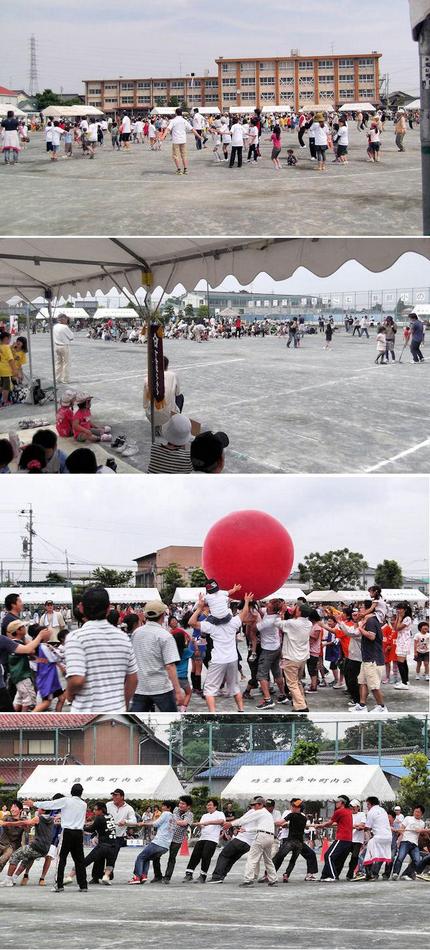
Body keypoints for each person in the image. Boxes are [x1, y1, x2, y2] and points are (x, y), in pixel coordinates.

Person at [64, 586, 138, 712]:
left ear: (81, 607)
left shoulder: (76, 637)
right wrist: (123, 704)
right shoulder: (123, 637)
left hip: (86, 714)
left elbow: (77, 680)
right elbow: (133, 679)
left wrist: (69, 694)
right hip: (116, 713)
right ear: (109, 608)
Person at [189, 593, 251, 712]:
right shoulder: (233, 622)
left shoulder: (211, 626)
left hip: (218, 660)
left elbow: (192, 623)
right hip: (232, 659)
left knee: (209, 689)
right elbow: (244, 613)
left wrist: (200, 608)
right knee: (235, 688)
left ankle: (213, 713)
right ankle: (241, 710)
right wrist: (247, 601)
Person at [27, 784, 88, 892]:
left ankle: (59, 885)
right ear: (81, 792)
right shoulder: (84, 804)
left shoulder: (66, 801)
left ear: (71, 791)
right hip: (79, 833)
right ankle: (83, 885)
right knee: (79, 860)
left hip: (68, 832)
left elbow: (51, 804)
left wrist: (34, 803)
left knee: (61, 859)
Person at [130, 600, 184, 712]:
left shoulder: (136, 633)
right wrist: (178, 690)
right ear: (163, 614)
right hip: (161, 686)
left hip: (141, 685)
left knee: (137, 722)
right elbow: (170, 666)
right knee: (171, 719)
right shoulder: (165, 636)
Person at [0, 614, 51, 712]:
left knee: (19, 700)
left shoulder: (9, 641)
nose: (25, 628)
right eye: (23, 627)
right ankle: (22, 722)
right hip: (21, 675)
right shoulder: (12, 643)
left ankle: (15, 720)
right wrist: (40, 636)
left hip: (16, 677)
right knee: (28, 700)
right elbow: (29, 650)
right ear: (18, 631)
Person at [225, 797, 277, 887]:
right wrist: (247, 829)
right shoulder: (267, 814)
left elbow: (244, 820)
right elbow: (261, 827)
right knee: (268, 860)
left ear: (261, 804)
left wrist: (230, 823)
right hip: (270, 837)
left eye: (255, 805)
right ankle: (273, 879)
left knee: (252, 858)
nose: (253, 807)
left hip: (262, 837)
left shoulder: (259, 812)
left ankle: (248, 880)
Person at [276, 603, 317, 712]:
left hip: (291, 658)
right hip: (302, 658)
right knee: (297, 681)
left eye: (296, 607)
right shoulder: (308, 623)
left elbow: (277, 623)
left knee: (292, 683)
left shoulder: (292, 623)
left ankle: (301, 706)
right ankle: (301, 700)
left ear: (299, 612)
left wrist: (281, 613)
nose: (293, 608)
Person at [64, 802, 117, 886]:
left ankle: (69, 877)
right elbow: (100, 825)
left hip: (103, 846)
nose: (94, 811)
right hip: (113, 845)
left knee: (85, 861)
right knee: (110, 863)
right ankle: (106, 877)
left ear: (101, 810)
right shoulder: (110, 816)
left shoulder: (99, 818)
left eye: (95, 810)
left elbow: (91, 829)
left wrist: (80, 827)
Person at [0, 806, 54, 886]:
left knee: (15, 855)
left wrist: (6, 823)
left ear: (43, 810)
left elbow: (24, 823)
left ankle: (8, 879)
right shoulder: (51, 819)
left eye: (39, 808)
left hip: (36, 846)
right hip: (45, 848)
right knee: (28, 859)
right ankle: (14, 878)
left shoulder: (39, 818)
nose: (37, 809)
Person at [128, 801, 177, 884]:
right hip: (165, 846)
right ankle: (143, 876)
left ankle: (137, 877)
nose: (162, 808)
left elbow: (155, 823)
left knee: (140, 857)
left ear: (169, 808)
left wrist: (143, 824)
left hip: (158, 842)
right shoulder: (174, 817)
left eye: (164, 806)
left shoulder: (166, 814)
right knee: (146, 858)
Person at [273, 799, 318, 881]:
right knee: (293, 860)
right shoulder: (304, 818)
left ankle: (271, 874)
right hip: (299, 843)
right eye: (293, 805)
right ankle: (286, 874)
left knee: (279, 856)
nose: (293, 807)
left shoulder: (291, 815)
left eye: (295, 806)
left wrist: (270, 822)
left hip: (291, 841)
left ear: (299, 808)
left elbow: (280, 823)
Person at [183, 799, 226, 883]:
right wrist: (199, 825)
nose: (208, 806)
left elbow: (221, 821)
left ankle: (203, 875)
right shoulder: (204, 815)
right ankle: (189, 873)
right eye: (207, 805)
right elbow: (202, 825)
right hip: (202, 837)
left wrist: (208, 822)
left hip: (212, 839)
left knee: (206, 856)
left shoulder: (220, 814)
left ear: (215, 806)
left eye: (210, 805)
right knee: (195, 855)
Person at [154, 795, 193, 883]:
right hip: (166, 837)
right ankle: (158, 876)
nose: (180, 805)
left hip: (177, 840)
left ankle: (167, 877)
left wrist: (170, 821)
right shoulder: (175, 810)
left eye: (183, 804)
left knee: (172, 858)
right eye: (180, 803)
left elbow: (184, 823)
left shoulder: (190, 815)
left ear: (188, 806)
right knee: (156, 855)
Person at [355, 797, 393, 880]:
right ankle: (371, 874)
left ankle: (363, 873)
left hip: (379, 837)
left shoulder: (371, 812)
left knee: (364, 854)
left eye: (368, 804)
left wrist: (358, 827)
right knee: (379, 855)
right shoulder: (383, 810)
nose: (367, 807)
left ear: (371, 804)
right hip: (388, 837)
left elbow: (367, 827)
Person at [105, 789, 136, 882]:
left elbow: (134, 821)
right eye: (113, 795)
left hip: (118, 837)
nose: (114, 797)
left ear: (122, 797)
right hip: (106, 835)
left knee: (112, 856)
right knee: (101, 856)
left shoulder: (129, 808)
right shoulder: (108, 805)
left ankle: (108, 875)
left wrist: (126, 821)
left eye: (116, 795)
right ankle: (96, 876)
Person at [319, 796, 353, 880]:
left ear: (342, 803)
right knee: (338, 859)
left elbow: (329, 823)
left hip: (342, 838)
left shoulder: (339, 811)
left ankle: (333, 876)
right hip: (348, 839)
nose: (336, 803)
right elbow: (340, 822)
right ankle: (325, 876)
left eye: (338, 801)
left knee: (328, 856)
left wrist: (319, 825)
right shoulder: (348, 811)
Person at [160, 108, 202, 174]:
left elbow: (167, 129)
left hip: (176, 140)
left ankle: (179, 170)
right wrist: (198, 136)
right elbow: (192, 129)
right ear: (181, 113)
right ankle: (185, 169)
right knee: (184, 155)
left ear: (176, 113)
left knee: (175, 155)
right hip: (183, 140)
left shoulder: (173, 121)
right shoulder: (184, 121)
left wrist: (163, 136)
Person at [392, 806, 426, 879]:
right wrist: (400, 838)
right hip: (405, 841)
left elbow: (422, 834)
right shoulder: (408, 818)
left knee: (417, 860)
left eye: (418, 812)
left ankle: (406, 874)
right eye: (415, 811)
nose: (416, 813)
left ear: (422, 814)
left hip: (415, 844)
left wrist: (420, 831)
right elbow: (401, 828)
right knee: (400, 857)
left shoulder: (422, 823)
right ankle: (395, 873)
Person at [346, 799, 367, 880]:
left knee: (354, 857)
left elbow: (362, 825)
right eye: (351, 807)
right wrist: (355, 826)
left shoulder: (362, 814)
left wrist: (355, 826)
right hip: (348, 838)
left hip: (357, 840)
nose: (352, 808)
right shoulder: (348, 814)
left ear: (358, 807)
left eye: (354, 807)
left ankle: (350, 872)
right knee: (342, 856)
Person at [53, 315, 74, 384]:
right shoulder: (65, 327)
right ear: (64, 319)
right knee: (66, 363)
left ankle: (57, 378)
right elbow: (71, 337)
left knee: (58, 363)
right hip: (64, 346)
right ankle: (65, 379)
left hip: (56, 346)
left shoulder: (55, 326)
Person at [0, 329, 16, 407]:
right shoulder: (6, 347)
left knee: (1, 385)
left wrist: (12, 346)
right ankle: (5, 402)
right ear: (6, 338)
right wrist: (14, 370)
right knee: (6, 387)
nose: (10, 340)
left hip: (0, 370)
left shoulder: (1, 346)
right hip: (5, 370)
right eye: (9, 339)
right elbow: (11, 360)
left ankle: (1, 399)